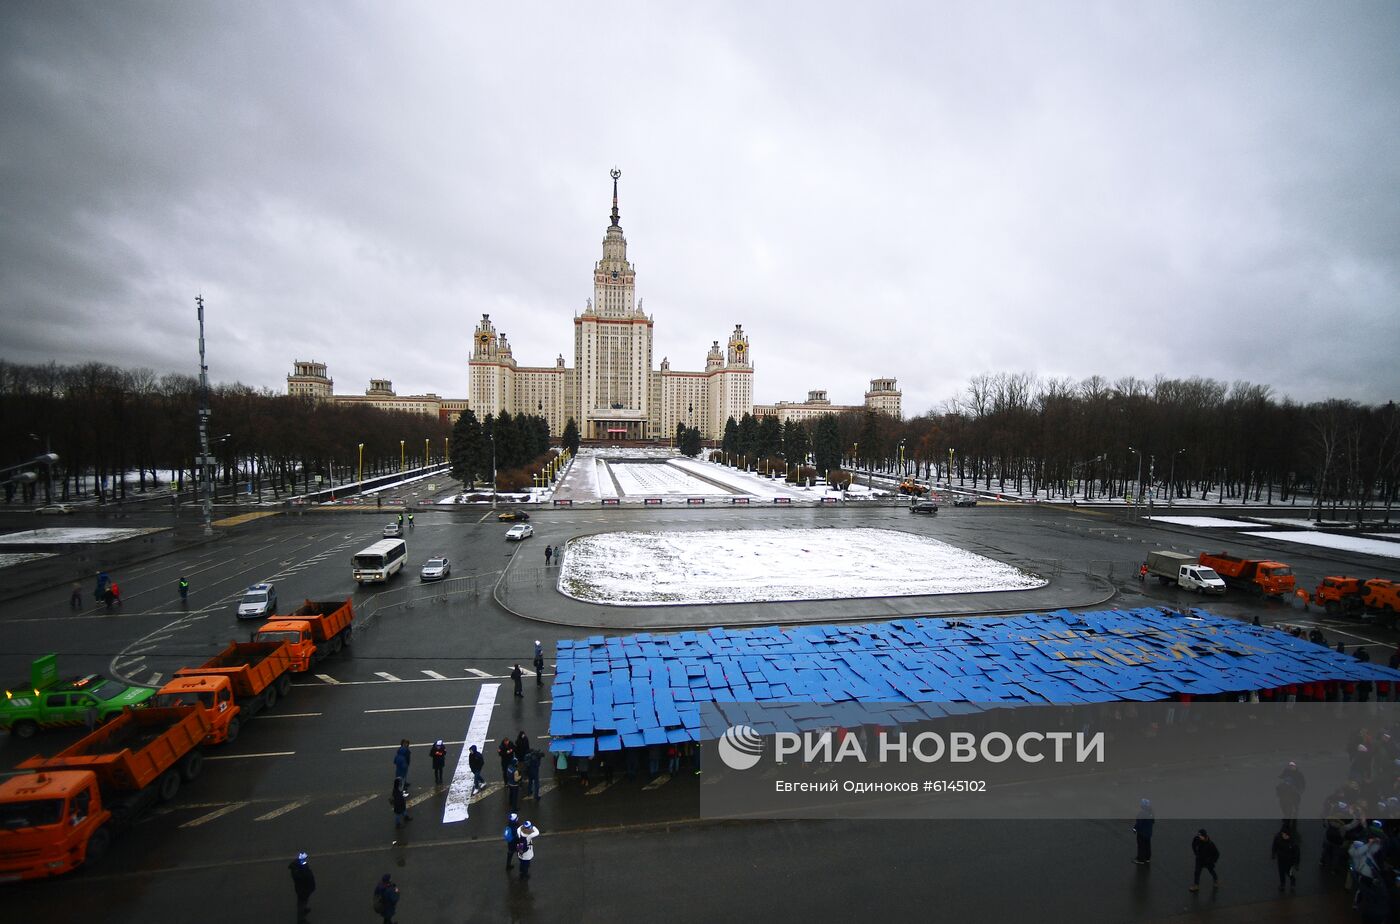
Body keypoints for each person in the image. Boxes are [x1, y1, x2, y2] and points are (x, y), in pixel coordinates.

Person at [288, 851, 315, 923]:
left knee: (304, 900)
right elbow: (300, 878)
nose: (306, 860)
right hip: (302, 889)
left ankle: (304, 909)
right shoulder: (297, 869)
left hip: (306, 888)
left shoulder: (303, 865)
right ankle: (301, 919)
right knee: (301, 902)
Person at [1271, 826, 1299, 891]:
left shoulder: (1293, 843)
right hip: (1280, 859)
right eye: (1283, 834)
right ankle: (1282, 885)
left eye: (1286, 835)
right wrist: (1273, 853)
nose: (1284, 836)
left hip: (1290, 861)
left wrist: (1296, 864)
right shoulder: (1278, 838)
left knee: (1289, 872)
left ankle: (1292, 882)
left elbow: (1297, 854)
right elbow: (1274, 846)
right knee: (1281, 873)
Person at [1133, 798, 1154, 865]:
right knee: (1147, 845)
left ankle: (1141, 859)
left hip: (1141, 833)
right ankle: (1147, 858)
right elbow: (1153, 821)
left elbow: (1139, 823)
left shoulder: (1142, 813)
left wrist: (1135, 828)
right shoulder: (1151, 812)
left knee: (1141, 846)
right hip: (1148, 833)